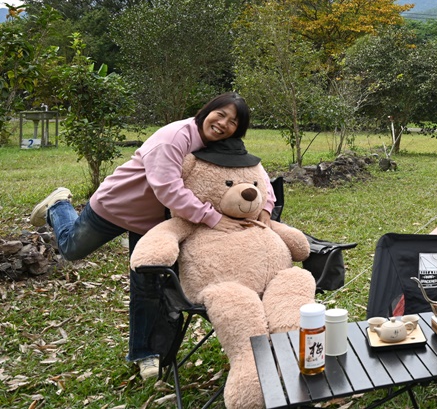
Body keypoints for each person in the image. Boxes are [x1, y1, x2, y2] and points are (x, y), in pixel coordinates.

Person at [29, 92, 276, 381]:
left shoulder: (225, 145)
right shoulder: (174, 137)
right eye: (220, 114)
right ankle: (59, 205)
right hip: (117, 206)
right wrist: (214, 218)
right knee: (71, 248)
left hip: (155, 224)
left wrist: (267, 209)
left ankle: (144, 353)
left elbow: (256, 174)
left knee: (146, 286)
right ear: (207, 110)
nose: (223, 124)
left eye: (233, 122)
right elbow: (168, 189)